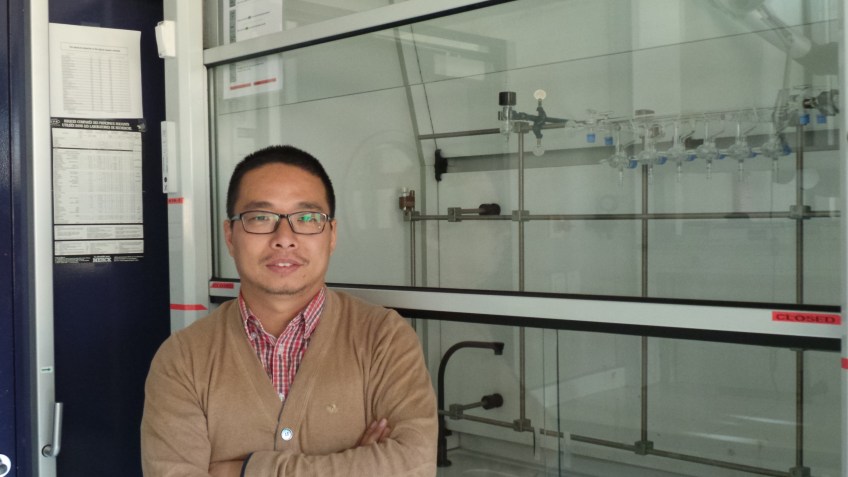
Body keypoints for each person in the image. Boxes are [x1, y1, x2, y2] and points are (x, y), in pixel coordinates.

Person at [141, 145, 437, 476]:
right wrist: (358, 464)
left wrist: (244, 471)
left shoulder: (384, 338)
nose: (284, 238)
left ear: (332, 235)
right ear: (230, 236)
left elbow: (415, 465)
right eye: (260, 218)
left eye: (307, 218)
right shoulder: (182, 360)